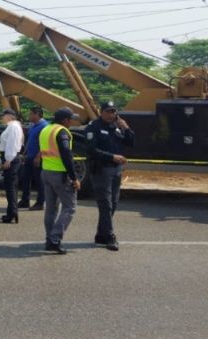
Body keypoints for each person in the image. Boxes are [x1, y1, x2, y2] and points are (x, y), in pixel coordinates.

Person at [85, 101, 135, 252]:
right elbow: (91, 150)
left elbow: (130, 143)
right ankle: (110, 236)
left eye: (113, 111)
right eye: (108, 111)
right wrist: (112, 157)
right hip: (101, 170)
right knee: (105, 204)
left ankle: (101, 234)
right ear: (101, 112)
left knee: (113, 203)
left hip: (116, 170)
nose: (111, 114)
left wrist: (126, 129)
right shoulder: (94, 127)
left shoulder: (117, 127)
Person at [37, 107, 80, 255]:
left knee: (51, 209)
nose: (71, 123)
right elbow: (66, 155)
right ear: (65, 120)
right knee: (70, 207)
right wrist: (74, 178)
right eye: (70, 120)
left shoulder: (46, 129)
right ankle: (55, 240)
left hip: (46, 171)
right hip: (60, 174)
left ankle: (49, 238)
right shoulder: (62, 132)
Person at [0, 108, 25, 224]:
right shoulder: (13, 126)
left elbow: (12, 144)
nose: (2, 118)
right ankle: (12, 212)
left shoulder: (13, 127)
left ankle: (12, 213)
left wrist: (8, 159)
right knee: (11, 186)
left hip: (11, 158)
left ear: (9, 116)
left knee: (10, 187)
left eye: (3, 116)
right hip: (12, 157)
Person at [19, 107, 48, 211]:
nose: (29, 116)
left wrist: (38, 156)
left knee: (39, 181)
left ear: (37, 114)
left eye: (31, 114)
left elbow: (45, 144)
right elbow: (29, 141)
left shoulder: (45, 126)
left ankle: (40, 203)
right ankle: (24, 201)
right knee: (25, 179)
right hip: (29, 157)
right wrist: (24, 153)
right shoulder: (33, 126)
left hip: (37, 158)